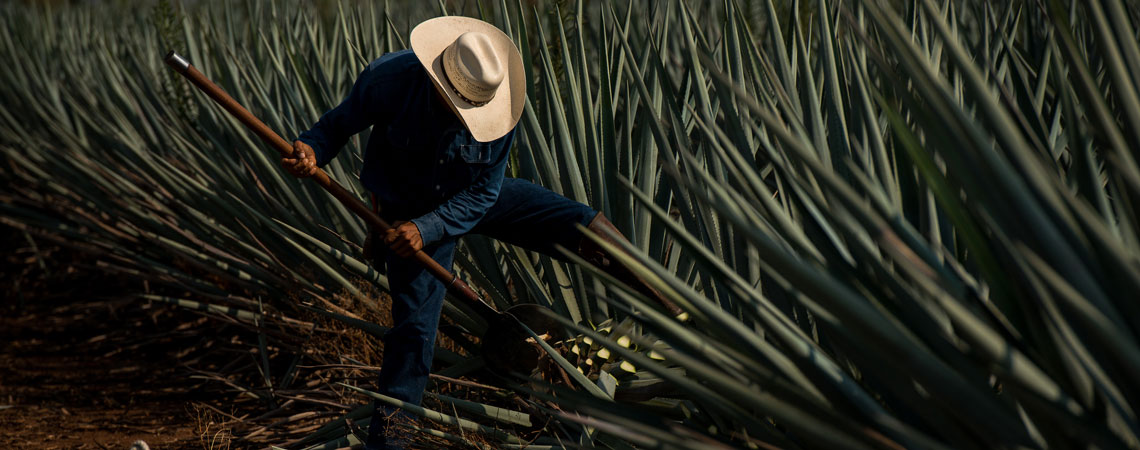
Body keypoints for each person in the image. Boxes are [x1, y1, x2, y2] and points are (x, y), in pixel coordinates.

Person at [281, 16, 679, 449]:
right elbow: (335, 126)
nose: (466, 114)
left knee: (576, 222)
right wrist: (310, 150)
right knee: (414, 336)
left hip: (466, 197)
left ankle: (669, 307)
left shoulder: (499, 108)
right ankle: (388, 442)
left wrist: (428, 226)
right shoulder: (390, 78)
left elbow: (484, 195)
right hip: (405, 207)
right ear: (439, 79)